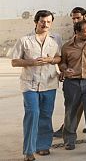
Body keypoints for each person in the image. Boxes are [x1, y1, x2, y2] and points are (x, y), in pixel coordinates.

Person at [12, 10, 61, 161]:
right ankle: (29, 150)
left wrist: (51, 60)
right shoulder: (25, 40)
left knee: (46, 115)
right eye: (42, 21)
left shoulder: (56, 39)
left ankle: (43, 145)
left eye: (48, 22)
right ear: (36, 22)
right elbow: (14, 61)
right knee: (33, 114)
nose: (45, 24)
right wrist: (31, 62)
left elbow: (60, 57)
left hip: (50, 82)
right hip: (30, 84)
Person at [53, 8, 86, 139]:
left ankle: (68, 130)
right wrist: (64, 70)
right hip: (77, 77)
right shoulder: (73, 37)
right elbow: (66, 58)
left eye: (78, 18)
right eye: (73, 18)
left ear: (85, 16)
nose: (75, 20)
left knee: (83, 105)